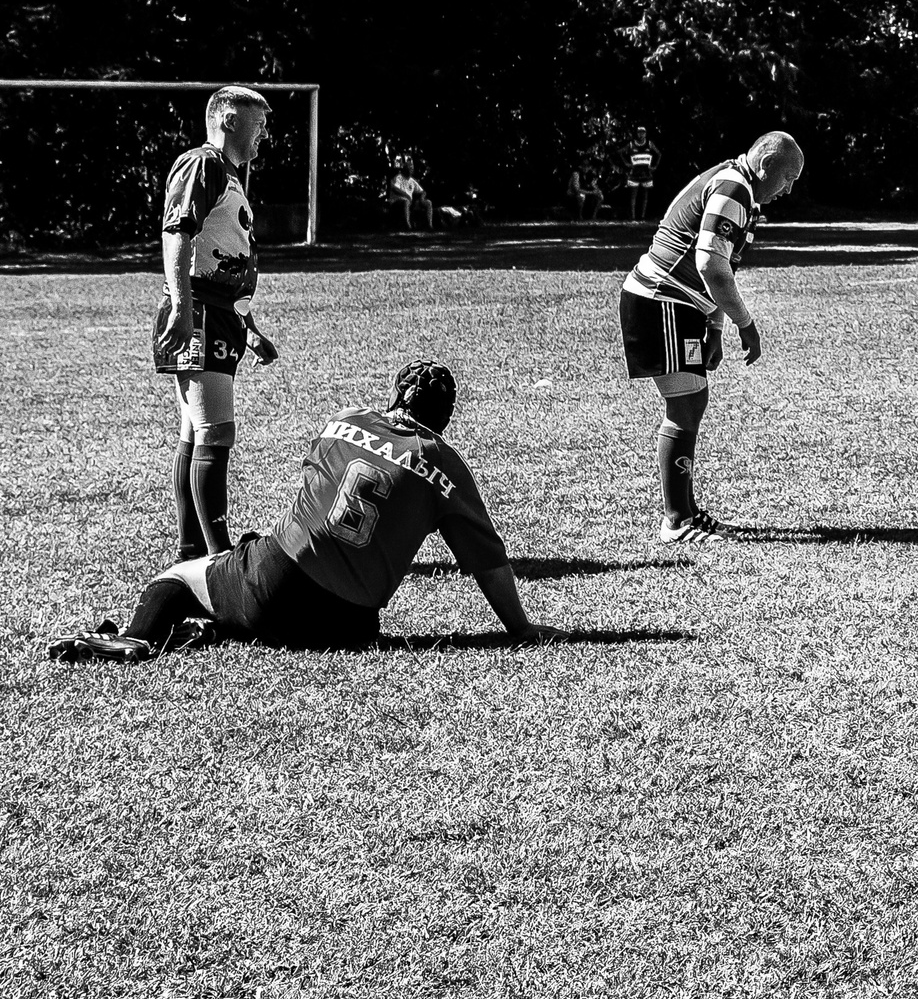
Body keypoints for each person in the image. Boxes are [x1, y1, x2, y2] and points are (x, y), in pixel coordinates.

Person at [48, 362, 562, 660]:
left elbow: (315, 495)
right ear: (443, 419)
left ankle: (137, 638)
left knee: (182, 576)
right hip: (350, 626)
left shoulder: (342, 421)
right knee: (248, 566)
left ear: (393, 397)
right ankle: (213, 625)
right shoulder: (443, 463)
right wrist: (521, 629)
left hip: (278, 585)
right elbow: (488, 564)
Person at [619, 130, 805, 542]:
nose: (789, 189)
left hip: (677, 304)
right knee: (685, 403)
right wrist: (745, 323)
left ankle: (686, 512)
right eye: (788, 177)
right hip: (661, 299)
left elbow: (725, 264)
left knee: (691, 400)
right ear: (766, 164)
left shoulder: (738, 187)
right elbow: (710, 265)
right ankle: (675, 520)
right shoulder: (733, 189)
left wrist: (715, 325)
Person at [151, 86, 275, 563]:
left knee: (195, 431)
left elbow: (222, 255)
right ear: (228, 120)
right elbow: (176, 232)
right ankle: (218, 558)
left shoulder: (228, 175)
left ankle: (193, 551)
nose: (263, 134)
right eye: (257, 124)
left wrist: (250, 324)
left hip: (220, 314)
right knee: (215, 432)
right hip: (199, 312)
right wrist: (183, 308)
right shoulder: (202, 164)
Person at [624, 128, 663, 222]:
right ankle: (633, 217)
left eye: (643, 133)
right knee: (634, 195)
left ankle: (642, 216)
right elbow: (620, 152)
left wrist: (655, 166)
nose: (641, 134)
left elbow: (659, 154)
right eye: (639, 132)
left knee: (645, 195)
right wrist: (627, 163)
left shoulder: (649, 144)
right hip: (634, 173)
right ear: (637, 134)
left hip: (646, 172)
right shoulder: (631, 144)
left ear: (645, 134)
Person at [389, 158, 433, 231]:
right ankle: (408, 225)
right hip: (396, 202)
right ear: (405, 169)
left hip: (409, 202)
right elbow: (394, 188)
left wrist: (422, 199)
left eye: (412, 168)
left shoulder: (412, 181)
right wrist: (406, 195)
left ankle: (429, 225)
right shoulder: (398, 177)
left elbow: (423, 191)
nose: (411, 170)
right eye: (409, 168)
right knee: (406, 201)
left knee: (428, 202)